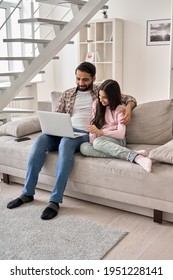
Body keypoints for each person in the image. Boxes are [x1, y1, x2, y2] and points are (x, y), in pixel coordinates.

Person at [7, 62, 137, 220]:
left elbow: (129, 98)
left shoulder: (100, 92)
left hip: (83, 133)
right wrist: (53, 126)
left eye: (85, 79)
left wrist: (128, 108)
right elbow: (56, 116)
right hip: (63, 130)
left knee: (66, 143)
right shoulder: (67, 94)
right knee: (40, 140)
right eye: (78, 79)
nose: (81, 83)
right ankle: (27, 193)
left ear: (93, 78)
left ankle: (55, 200)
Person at [80, 79, 152, 172]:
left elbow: (121, 134)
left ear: (112, 97)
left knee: (98, 142)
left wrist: (101, 133)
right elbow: (93, 125)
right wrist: (93, 141)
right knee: (84, 147)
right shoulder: (96, 104)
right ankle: (128, 153)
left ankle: (136, 158)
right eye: (100, 96)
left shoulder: (120, 109)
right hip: (101, 141)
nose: (101, 100)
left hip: (117, 140)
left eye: (105, 97)